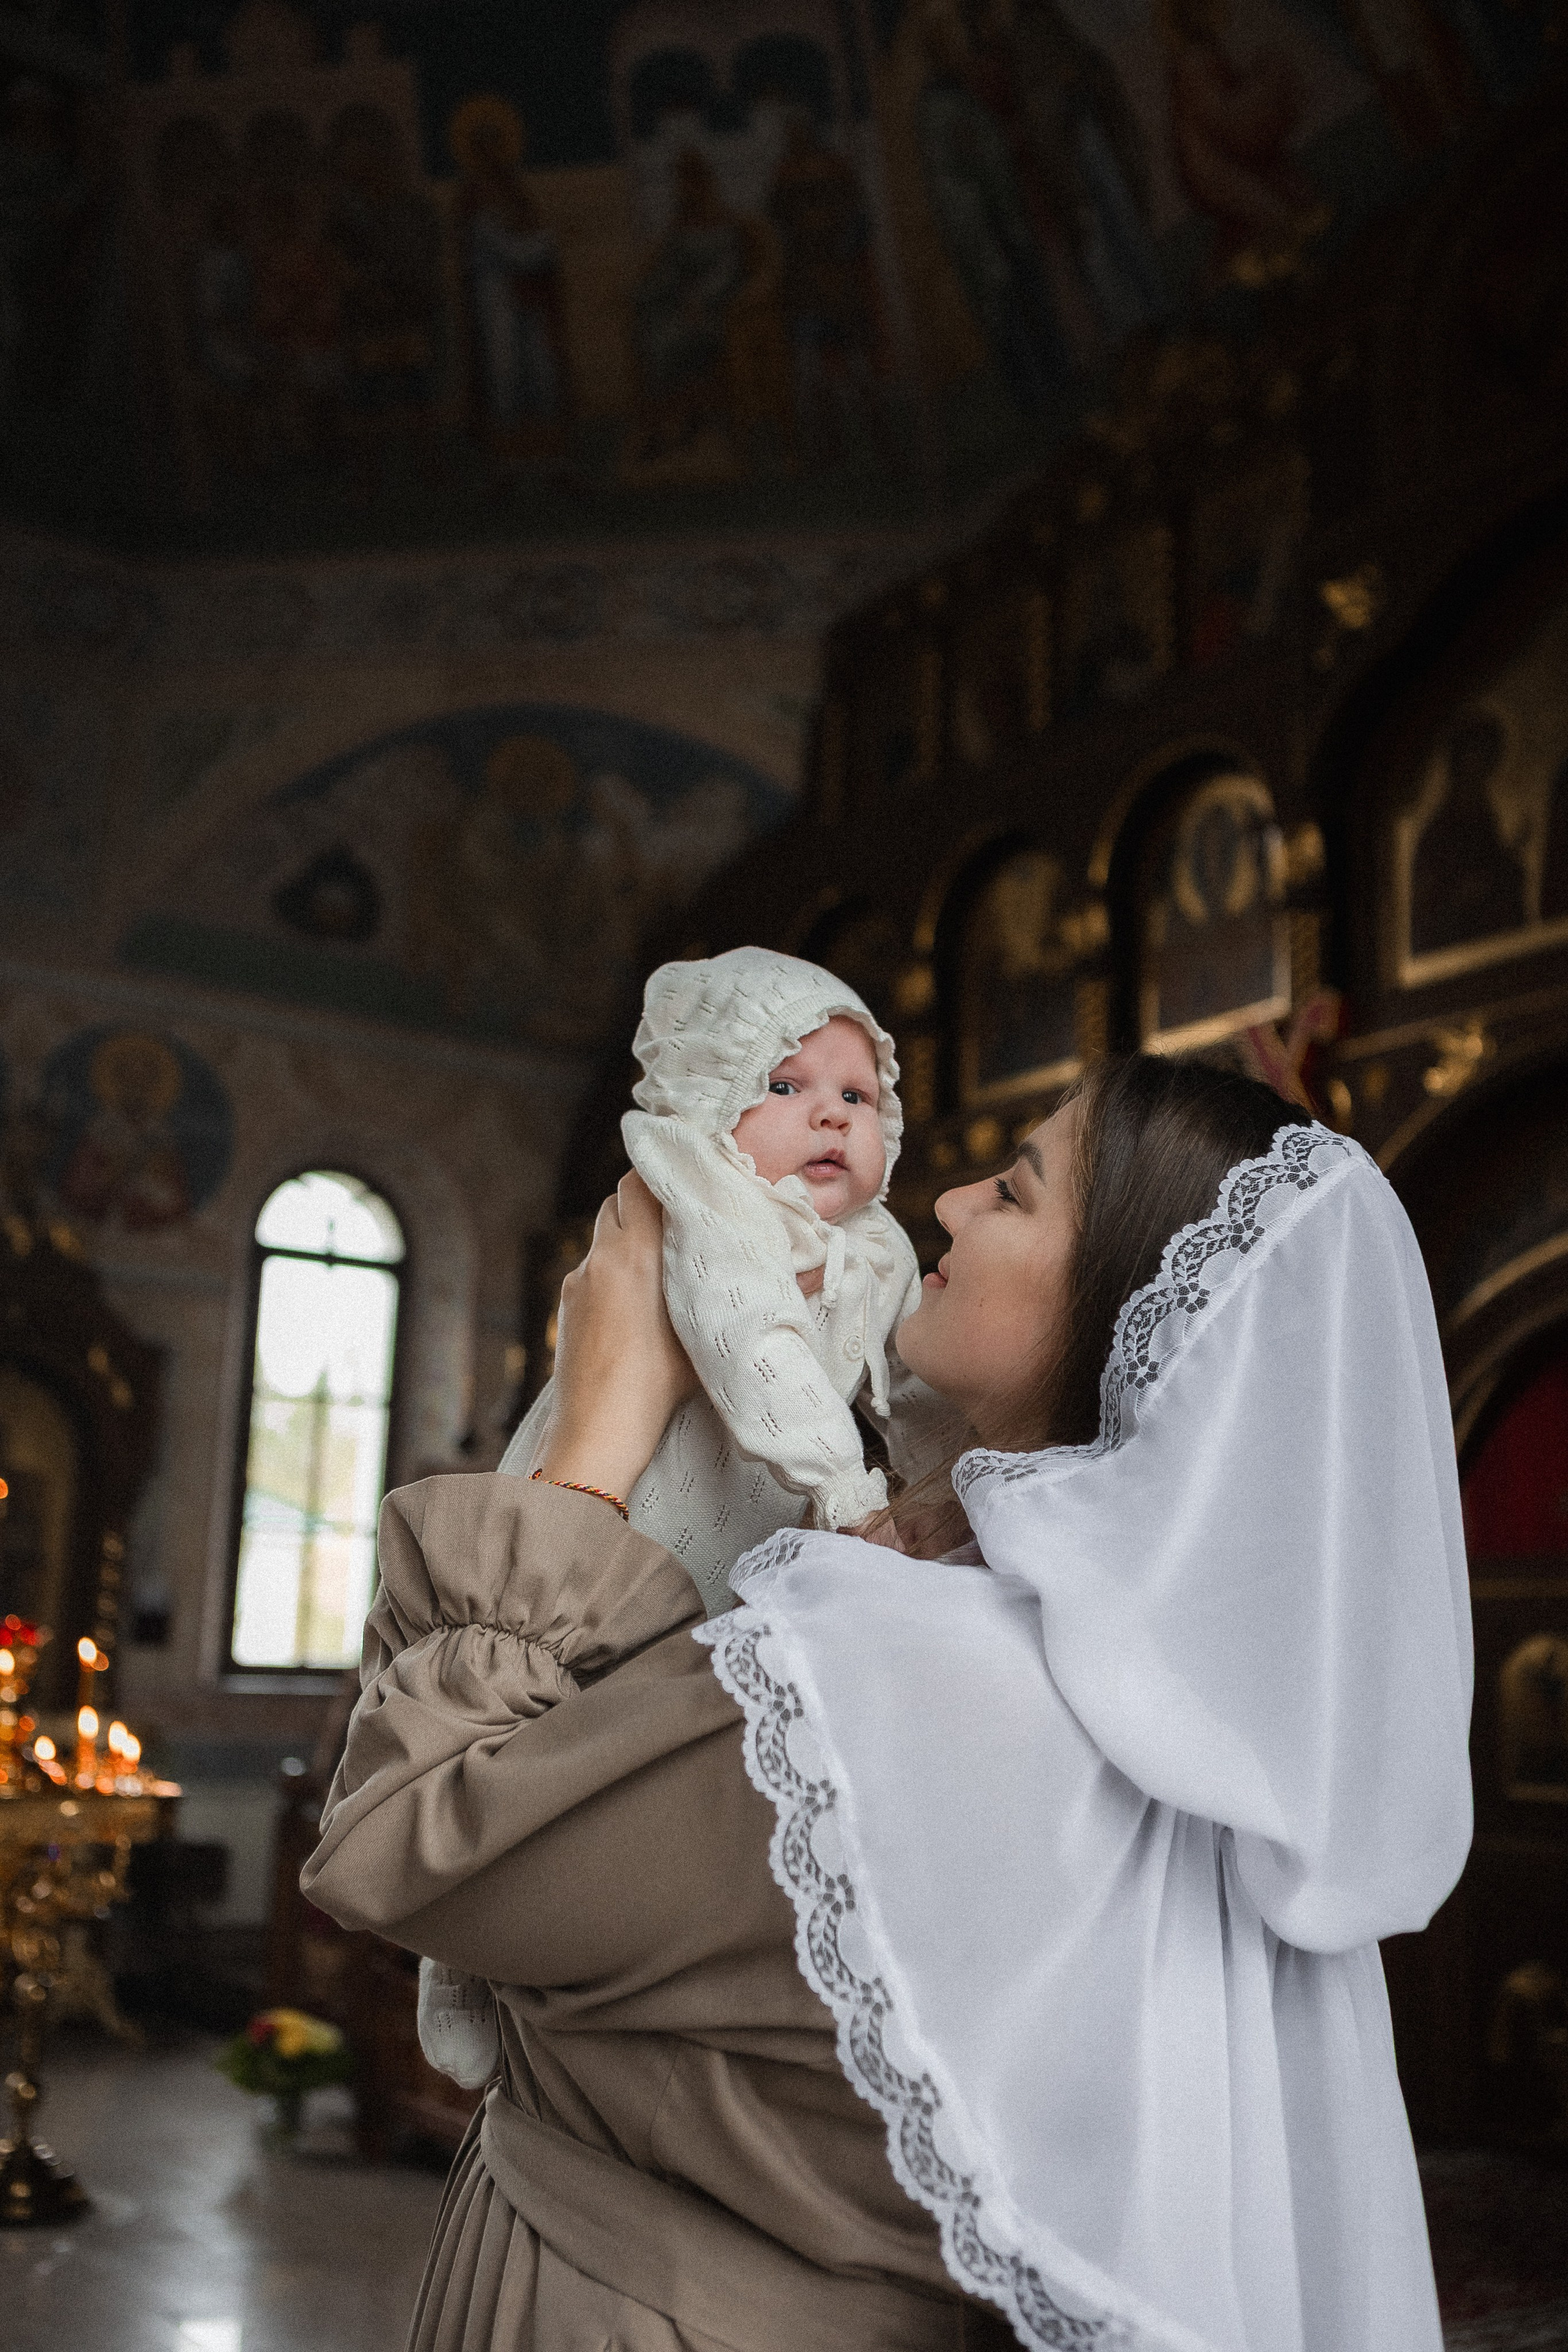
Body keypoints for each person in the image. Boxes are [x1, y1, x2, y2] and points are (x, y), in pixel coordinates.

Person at [303, 1052, 1471, 2352]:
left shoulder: (905, 1679)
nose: (952, 1202)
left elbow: (407, 1840)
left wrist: (597, 1427)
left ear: (1124, 1313)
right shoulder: (1173, 1730)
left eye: (1016, 1193)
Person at [418, 946, 953, 2086]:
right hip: (637, 1499)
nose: (831, 1116)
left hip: (756, 1524)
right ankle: (456, 1969)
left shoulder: (881, 1247)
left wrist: (935, 1489)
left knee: (661, 1750)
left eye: (857, 1097)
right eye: (785, 1085)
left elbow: (914, 1391)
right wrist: (853, 1493)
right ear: (708, 1100)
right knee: (541, 1716)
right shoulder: (701, 1197)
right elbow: (746, 1338)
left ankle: (556, 1966)